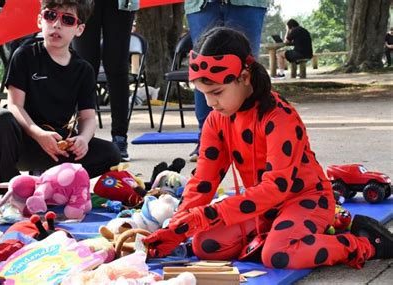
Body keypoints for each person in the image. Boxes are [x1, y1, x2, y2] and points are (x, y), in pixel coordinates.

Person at [143, 27, 393, 269]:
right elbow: (203, 184)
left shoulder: (279, 117)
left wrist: (205, 216)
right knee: (204, 245)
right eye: (203, 94)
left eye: (216, 92)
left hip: (306, 199)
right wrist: (175, 227)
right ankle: (280, 238)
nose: (210, 103)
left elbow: (276, 188)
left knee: (279, 254)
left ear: (244, 77)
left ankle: (363, 243)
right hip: (261, 208)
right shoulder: (217, 121)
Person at [0, 0, 121, 185]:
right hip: (24, 141)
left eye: (67, 20)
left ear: (79, 29)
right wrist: (38, 134)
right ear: (40, 20)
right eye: (51, 15)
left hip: (59, 147)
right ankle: (9, 187)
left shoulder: (84, 69)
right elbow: (15, 105)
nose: (57, 24)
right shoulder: (24, 55)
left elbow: (87, 117)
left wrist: (83, 139)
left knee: (111, 153)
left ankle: (55, 184)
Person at [184, 0, 268, 162]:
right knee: (203, 70)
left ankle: (255, 137)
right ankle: (207, 141)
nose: (211, 103)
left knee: (247, 69)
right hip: (201, 4)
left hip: (248, 3)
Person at [72, 0, 137, 161]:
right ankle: (83, 137)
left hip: (119, 4)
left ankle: (120, 138)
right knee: (84, 67)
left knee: (117, 67)